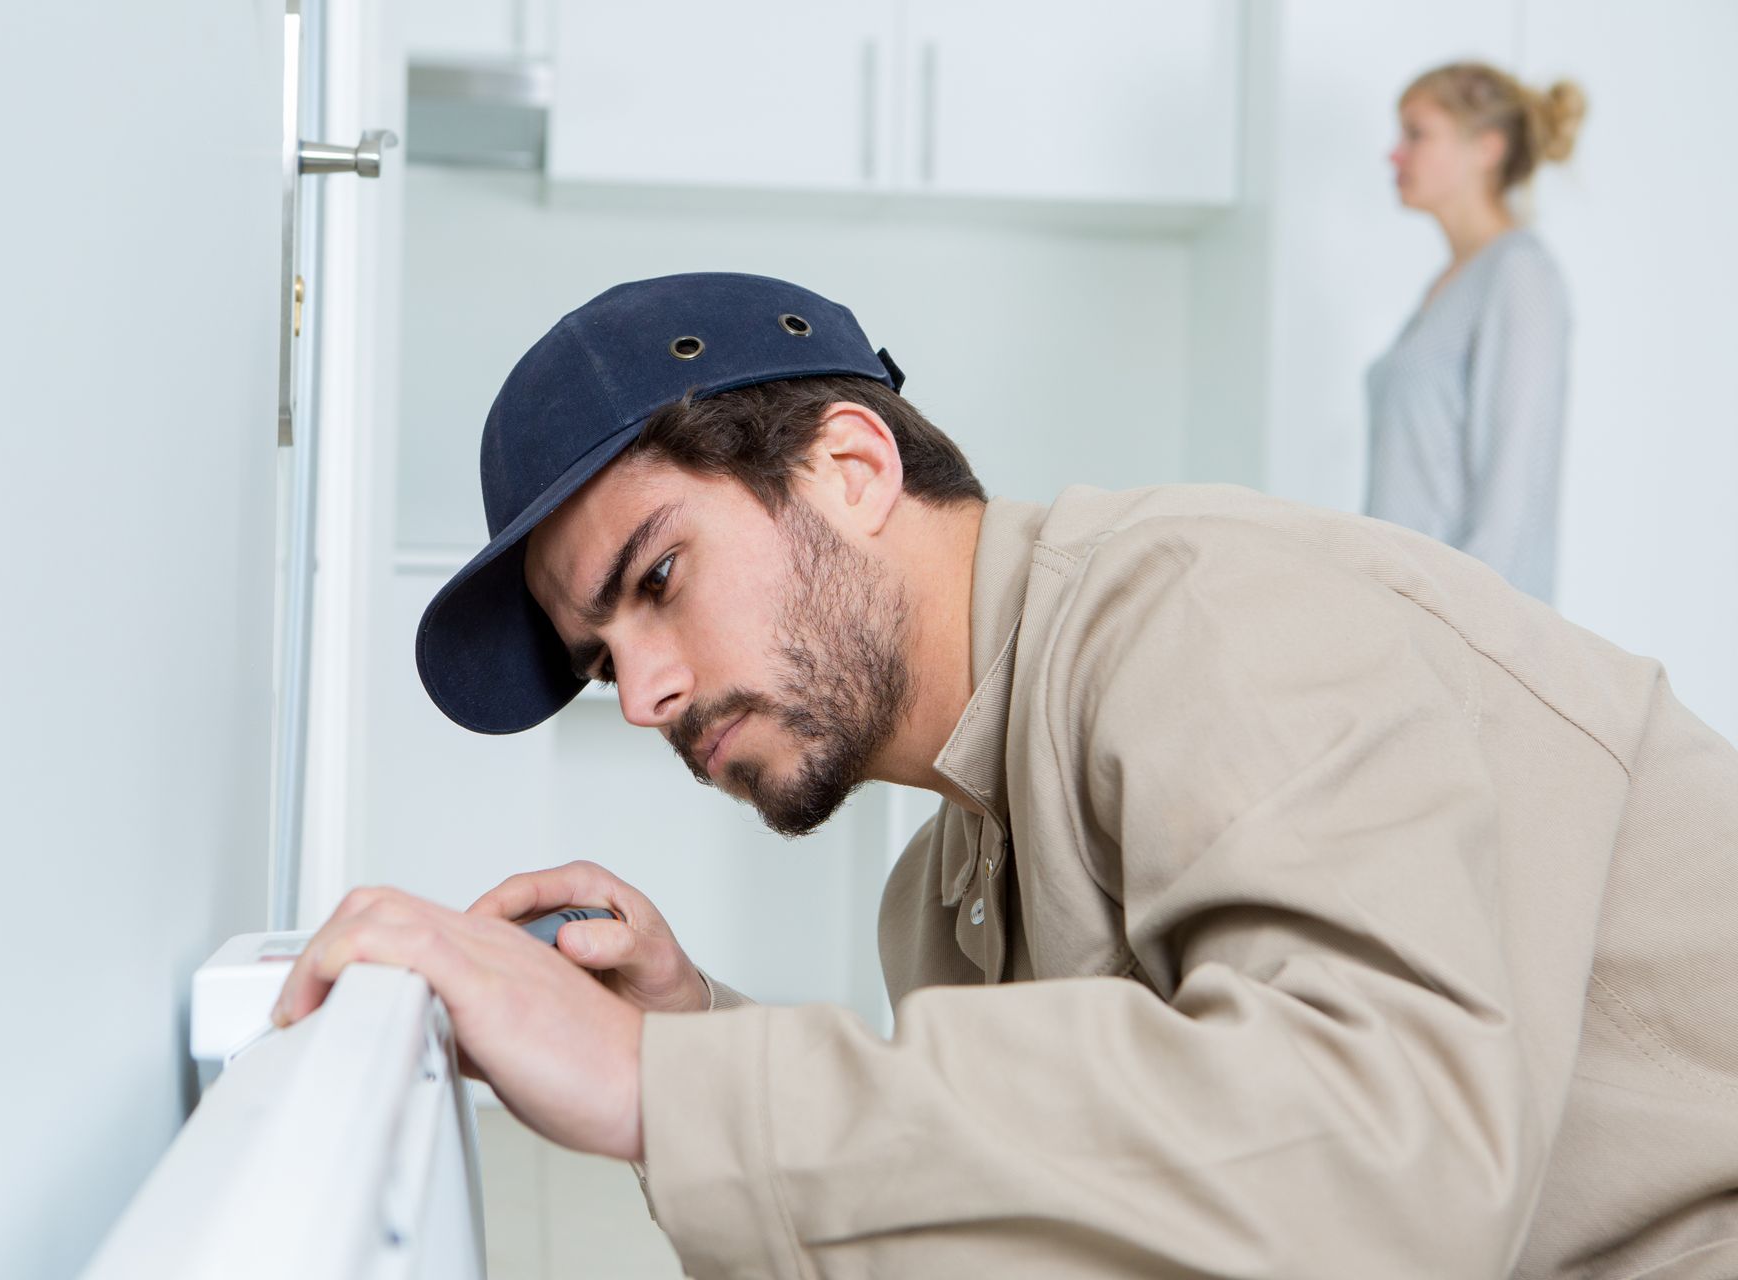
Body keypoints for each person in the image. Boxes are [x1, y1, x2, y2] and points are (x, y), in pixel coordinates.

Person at [274, 273, 1738, 1278]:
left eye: (658, 578)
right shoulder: (947, 890)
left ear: (852, 470)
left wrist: (670, 1083)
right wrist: (694, 1026)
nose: (644, 694)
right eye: (601, 660)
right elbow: (1077, 1219)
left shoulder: (1206, 613)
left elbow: (1385, 1164)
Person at [1367, 62, 1587, 603]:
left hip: (1461, 638)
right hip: (1402, 619)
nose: (1393, 154)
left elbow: (1512, 497)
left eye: (1416, 134)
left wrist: (1468, 642)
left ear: (1486, 148)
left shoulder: (1519, 274)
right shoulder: (1450, 284)